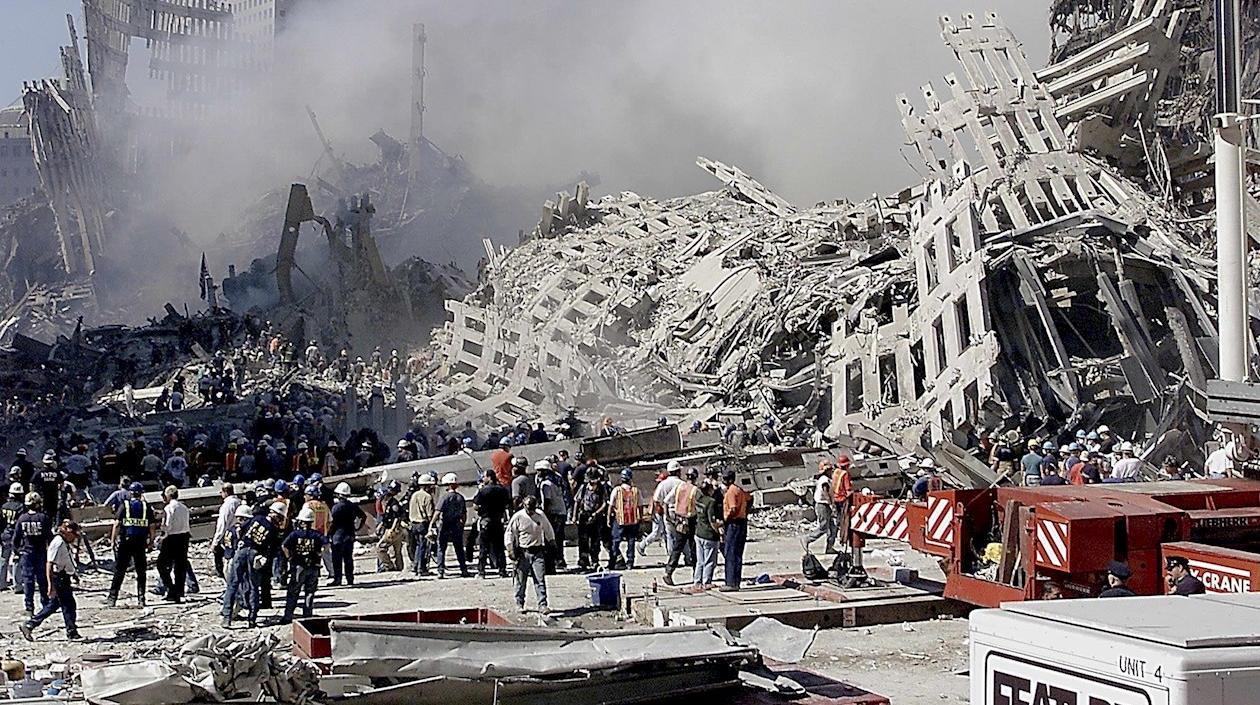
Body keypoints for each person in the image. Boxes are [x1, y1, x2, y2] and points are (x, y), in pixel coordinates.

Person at [19, 520, 81, 641]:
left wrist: (73, 574)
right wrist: (50, 585)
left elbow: (66, 560)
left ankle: (30, 625)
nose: (74, 539)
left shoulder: (63, 542)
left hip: (64, 576)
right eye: (74, 535)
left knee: (55, 605)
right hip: (59, 578)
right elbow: (49, 564)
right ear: (68, 533)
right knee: (68, 605)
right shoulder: (57, 543)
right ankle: (71, 631)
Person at [106, 482, 153, 607]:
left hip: (126, 541)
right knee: (141, 571)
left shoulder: (124, 505)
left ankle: (112, 597)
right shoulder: (146, 506)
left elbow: (116, 524)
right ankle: (141, 598)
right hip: (140, 541)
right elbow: (152, 526)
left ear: (130, 493)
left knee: (120, 570)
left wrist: (112, 540)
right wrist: (151, 541)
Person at [506, 495, 554, 613]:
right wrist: (510, 549)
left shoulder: (540, 515)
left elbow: (548, 529)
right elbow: (509, 533)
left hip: (538, 551)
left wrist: (552, 542)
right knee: (521, 581)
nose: (531, 512)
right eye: (529, 509)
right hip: (523, 553)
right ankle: (519, 603)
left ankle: (542, 604)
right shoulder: (518, 517)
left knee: (539, 579)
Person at [281, 507, 326, 624]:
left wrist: (289, 558)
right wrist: (320, 553)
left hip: (298, 567)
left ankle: (288, 616)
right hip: (313, 567)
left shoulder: (295, 534)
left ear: (301, 521)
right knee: (310, 593)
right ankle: (307, 616)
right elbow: (327, 544)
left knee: (293, 592)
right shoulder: (316, 535)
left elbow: (284, 546)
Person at [12, 492, 51, 617]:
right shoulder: (43, 518)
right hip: (41, 553)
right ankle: (45, 605)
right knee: (42, 580)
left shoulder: (22, 518)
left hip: (27, 554)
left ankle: (29, 607)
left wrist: (18, 552)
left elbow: (15, 539)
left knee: (28, 581)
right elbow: (49, 537)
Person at [663, 468, 701, 586]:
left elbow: (666, 501)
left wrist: (669, 517)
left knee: (677, 548)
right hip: (692, 521)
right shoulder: (696, 490)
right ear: (695, 477)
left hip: (680, 521)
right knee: (694, 549)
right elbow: (701, 507)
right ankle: (697, 576)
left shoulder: (679, 487)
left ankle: (668, 572)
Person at [156, 486, 192, 603]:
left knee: (161, 564)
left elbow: (168, 526)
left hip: (172, 538)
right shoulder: (184, 507)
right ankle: (179, 591)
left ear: (169, 495)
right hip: (184, 537)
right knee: (180, 566)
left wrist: (161, 534)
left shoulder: (169, 508)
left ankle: (171, 588)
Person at [472, 471, 511, 578]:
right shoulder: (502, 490)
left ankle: (481, 571)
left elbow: (475, 505)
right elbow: (507, 503)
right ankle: (502, 570)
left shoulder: (483, 490)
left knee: (483, 547)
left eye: (484, 477)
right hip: (498, 521)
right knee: (499, 547)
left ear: (489, 477)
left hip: (486, 521)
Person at [431, 473, 470, 578]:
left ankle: (441, 571)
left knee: (441, 548)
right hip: (457, 525)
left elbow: (438, 512)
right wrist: (462, 524)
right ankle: (464, 569)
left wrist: (432, 523)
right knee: (459, 548)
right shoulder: (460, 497)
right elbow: (464, 514)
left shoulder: (444, 498)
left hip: (445, 525)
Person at [328, 482, 365, 586]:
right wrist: (358, 527)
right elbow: (363, 516)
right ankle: (350, 579)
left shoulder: (336, 508)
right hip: (349, 535)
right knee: (348, 558)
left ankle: (338, 579)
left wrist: (328, 534)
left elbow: (332, 522)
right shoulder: (352, 506)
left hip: (337, 536)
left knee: (337, 559)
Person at [720, 469, 750, 592]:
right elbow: (749, 499)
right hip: (742, 522)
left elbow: (732, 508)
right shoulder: (739, 489)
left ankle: (731, 582)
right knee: (737, 553)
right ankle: (736, 581)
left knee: (730, 553)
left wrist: (726, 518)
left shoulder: (731, 491)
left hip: (734, 524)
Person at [573, 470, 609, 571]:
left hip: (596, 518)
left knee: (595, 540)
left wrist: (596, 513)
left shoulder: (602, 489)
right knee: (583, 539)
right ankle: (583, 560)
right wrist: (574, 516)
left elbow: (604, 503)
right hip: (584, 516)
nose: (592, 484)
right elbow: (577, 501)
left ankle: (594, 560)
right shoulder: (583, 488)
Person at [607, 469, 642, 570]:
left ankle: (613, 562)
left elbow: (611, 505)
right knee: (631, 541)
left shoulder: (617, 490)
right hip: (633, 520)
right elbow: (640, 505)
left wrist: (609, 518)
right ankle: (630, 562)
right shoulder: (636, 491)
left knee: (615, 541)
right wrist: (640, 517)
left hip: (620, 520)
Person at [692, 481, 723, 588]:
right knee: (709, 560)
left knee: (700, 560)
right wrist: (719, 529)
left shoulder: (698, 501)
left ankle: (697, 581)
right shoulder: (711, 502)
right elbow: (712, 520)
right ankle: (707, 581)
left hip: (699, 533)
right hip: (709, 535)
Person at [538, 461, 568, 571]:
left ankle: (554, 561)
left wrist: (544, 515)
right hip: (562, 511)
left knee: (551, 539)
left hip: (553, 513)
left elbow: (547, 500)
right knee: (559, 538)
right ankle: (560, 559)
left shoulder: (546, 484)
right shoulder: (557, 478)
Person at [804, 461, 836, 554]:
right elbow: (826, 493)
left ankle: (830, 547)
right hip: (822, 505)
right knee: (823, 527)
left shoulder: (827, 479)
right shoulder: (824, 479)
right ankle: (807, 539)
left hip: (825, 505)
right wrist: (831, 505)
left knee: (832, 527)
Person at [211, 483, 241, 579]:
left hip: (229, 534)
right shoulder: (239, 502)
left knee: (224, 558)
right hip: (239, 532)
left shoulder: (226, 505)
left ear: (225, 492)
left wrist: (215, 541)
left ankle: (226, 578)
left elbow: (222, 524)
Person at [408, 474, 436, 576]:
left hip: (413, 523)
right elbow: (429, 514)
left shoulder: (414, 495)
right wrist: (432, 525)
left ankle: (415, 566)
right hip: (422, 524)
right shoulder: (427, 497)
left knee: (417, 546)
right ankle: (421, 569)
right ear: (426, 486)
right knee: (423, 547)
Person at [375, 481, 406, 572]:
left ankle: (389, 566)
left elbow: (397, 517)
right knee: (397, 550)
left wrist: (392, 529)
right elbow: (385, 518)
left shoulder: (393, 504)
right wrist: (380, 526)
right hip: (393, 528)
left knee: (380, 547)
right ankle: (399, 567)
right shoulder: (388, 503)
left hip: (394, 529)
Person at [0, 482, 24, 590]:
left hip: (5, 534)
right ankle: (17, 585)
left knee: (4, 558)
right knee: (16, 558)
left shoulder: (4, 506)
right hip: (16, 534)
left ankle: (1, 583)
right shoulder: (21, 507)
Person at [831, 455, 853, 545]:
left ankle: (837, 536)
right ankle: (844, 539)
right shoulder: (845, 474)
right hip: (843, 499)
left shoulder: (836, 472)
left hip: (835, 498)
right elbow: (848, 489)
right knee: (845, 520)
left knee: (839, 519)